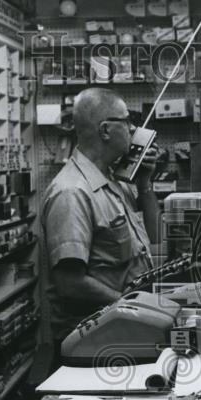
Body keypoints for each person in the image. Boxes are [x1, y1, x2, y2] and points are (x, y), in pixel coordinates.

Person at [42, 87, 159, 365]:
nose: (132, 129)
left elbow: (156, 242)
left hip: (122, 326)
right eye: (127, 121)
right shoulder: (71, 192)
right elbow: (69, 283)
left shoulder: (114, 182)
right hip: (92, 340)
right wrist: (130, 305)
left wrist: (144, 183)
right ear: (106, 130)